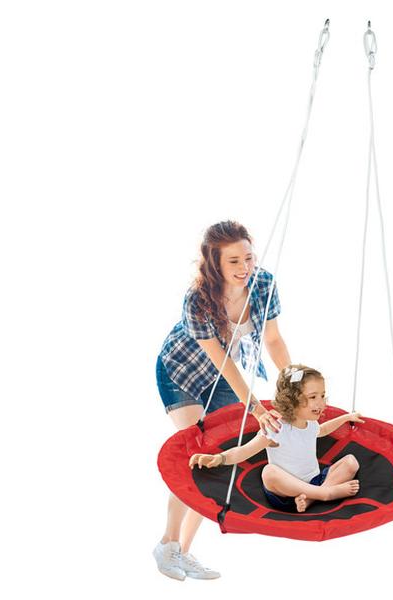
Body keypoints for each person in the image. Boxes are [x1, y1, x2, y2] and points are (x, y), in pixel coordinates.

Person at [153, 220, 289, 581]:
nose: (245, 267)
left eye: (248, 257)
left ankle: (184, 552)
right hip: (181, 372)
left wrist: (292, 381)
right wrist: (256, 408)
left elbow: (273, 340)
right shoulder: (198, 299)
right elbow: (222, 361)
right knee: (196, 454)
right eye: (234, 261)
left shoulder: (263, 284)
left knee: (216, 462)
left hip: (224, 378)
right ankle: (168, 545)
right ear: (214, 263)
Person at [189, 364, 364, 514]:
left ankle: (311, 498)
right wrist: (219, 458)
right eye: (313, 397)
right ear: (291, 400)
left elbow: (323, 430)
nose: (321, 402)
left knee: (351, 462)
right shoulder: (276, 427)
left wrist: (346, 418)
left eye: (322, 395)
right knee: (268, 472)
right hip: (285, 493)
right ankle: (325, 494)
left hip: (315, 481)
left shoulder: (311, 424)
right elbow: (244, 451)